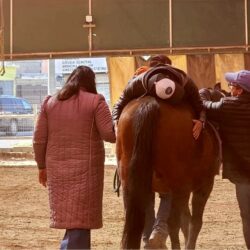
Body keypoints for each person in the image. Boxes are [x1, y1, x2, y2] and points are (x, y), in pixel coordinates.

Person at [33, 66, 116, 250]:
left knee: (74, 221)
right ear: (91, 82)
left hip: (57, 171)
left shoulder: (50, 102)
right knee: (80, 221)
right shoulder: (96, 101)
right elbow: (110, 135)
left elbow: (39, 140)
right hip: (87, 172)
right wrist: (120, 120)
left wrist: (41, 166)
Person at [200, 70, 250, 249]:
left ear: (240, 90)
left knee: (247, 217)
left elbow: (203, 104)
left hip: (243, 175)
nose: (229, 88)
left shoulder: (227, 106)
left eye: (232, 86)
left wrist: (204, 91)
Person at [112, 54, 205, 140]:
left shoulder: (138, 82)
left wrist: (116, 122)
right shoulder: (185, 80)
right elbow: (199, 105)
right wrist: (201, 121)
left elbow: (119, 104)